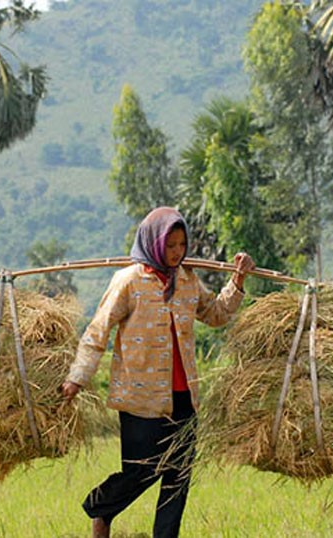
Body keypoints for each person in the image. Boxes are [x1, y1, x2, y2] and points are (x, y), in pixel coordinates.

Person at [61, 206, 255, 538]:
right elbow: (98, 330)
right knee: (142, 471)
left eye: (182, 245)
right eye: (170, 246)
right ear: (154, 242)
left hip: (185, 398)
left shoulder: (188, 281)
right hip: (140, 398)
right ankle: (101, 508)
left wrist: (237, 281)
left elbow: (217, 313)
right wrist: (77, 378)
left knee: (178, 477)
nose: (178, 253)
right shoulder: (129, 281)